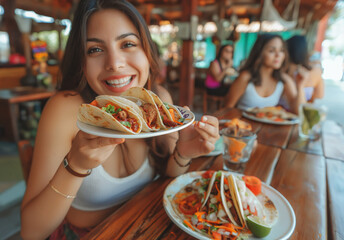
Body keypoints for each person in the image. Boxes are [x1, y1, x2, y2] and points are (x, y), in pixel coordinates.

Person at [20, 1, 220, 239]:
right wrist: (75, 167)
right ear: (81, 61)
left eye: (127, 44)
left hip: (151, 226)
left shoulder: (160, 102)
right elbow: (31, 232)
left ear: (147, 51)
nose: (114, 63)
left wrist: (183, 153)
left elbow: (168, 179)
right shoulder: (66, 109)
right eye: (95, 49)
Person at [224, 34, 305, 114]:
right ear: (260, 53)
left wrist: (300, 86)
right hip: (243, 125)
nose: (278, 55)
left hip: (270, 126)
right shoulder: (246, 77)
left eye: (281, 50)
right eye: (271, 51)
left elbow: (299, 112)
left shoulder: (284, 80)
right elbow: (227, 108)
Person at [285, 35, 324, 103]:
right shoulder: (316, 70)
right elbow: (319, 95)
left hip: (279, 111)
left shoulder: (284, 71)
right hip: (303, 110)